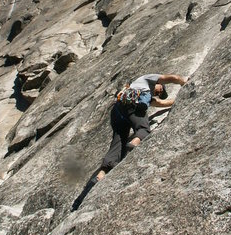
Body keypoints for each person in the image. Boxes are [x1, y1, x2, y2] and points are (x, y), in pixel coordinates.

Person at [71, 73, 187, 211]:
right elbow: (171, 77)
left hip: (119, 110)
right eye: (161, 89)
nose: (160, 91)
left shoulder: (147, 97)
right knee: (143, 129)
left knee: (116, 148)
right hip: (133, 102)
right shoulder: (146, 80)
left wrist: (179, 99)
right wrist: (184, 82)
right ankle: (132, 147)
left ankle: (96, 181)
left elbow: (162, 103)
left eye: (160, 92)